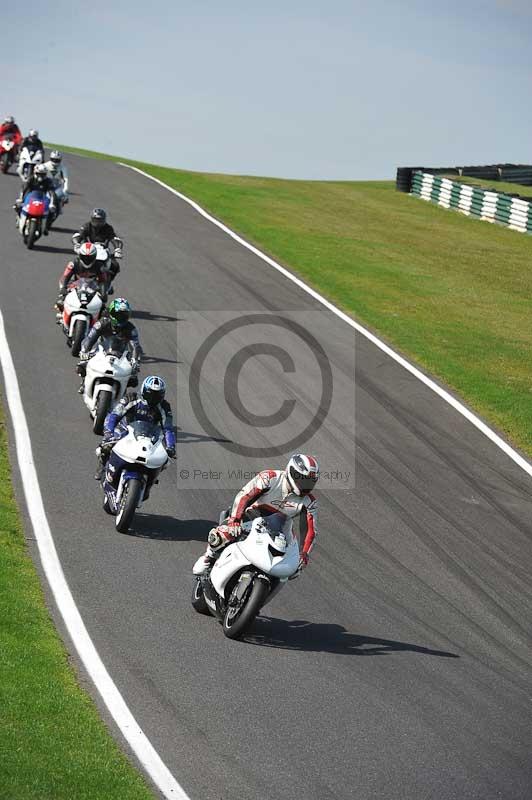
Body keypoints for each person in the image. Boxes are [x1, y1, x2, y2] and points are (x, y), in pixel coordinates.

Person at [193, 453, 320, 577]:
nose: (306, 486)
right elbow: (244, 496)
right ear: (292, 472)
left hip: (280, 529)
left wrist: (304, 554)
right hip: (253, 516)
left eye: (310, 482)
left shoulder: (310, 502)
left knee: (293, 568)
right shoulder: (269, 478)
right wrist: (235, 520)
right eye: (303, 480)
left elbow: (310, 531)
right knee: (221, 535)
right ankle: (208, 558)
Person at [96, 375, 176, 485]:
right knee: (107, 445)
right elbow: (114, 415)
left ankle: (151, 478)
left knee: (165, 460)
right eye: (150, 393)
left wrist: (170, 446)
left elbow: (168, 428)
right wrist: (108, 433)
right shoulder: (131, 398)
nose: (153, 397)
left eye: (157, 395)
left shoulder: (164, 407)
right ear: (144, 390)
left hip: (149, 435)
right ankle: (103, 466)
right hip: (125, 429)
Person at [77, 297, 142, 393]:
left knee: (133, 378)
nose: (121, 318)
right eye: (118, 315)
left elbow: (135, 346)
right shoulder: (102, 323)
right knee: (82, 365)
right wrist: (84, 351)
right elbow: (90, 338)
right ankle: (84, 382)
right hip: (101, 351)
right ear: (112, 314)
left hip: (121, 355)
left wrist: (135, 360)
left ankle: (122, 392)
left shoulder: (131, 329)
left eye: (124, 315)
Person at [72, 209, 123, 291]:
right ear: (92, 219)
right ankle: (73, 281)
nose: (98, 223)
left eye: (100, 220)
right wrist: (77, 244)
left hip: (103, 251)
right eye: (96, 220)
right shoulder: (86, 226)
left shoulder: (108, 228)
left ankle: (108, 283)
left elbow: (114, 238)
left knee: (115, 266)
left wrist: (117, 249)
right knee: (75, 263)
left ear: (104, 220)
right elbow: (79, 235)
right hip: (87, 251)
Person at [55, 243, 107, 317]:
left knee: (103, 307)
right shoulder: (74, 263)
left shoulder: (100, 266)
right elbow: (65, 277)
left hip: (92, 285)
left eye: (89, 258)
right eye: (84, 257)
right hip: (75, 284)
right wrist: (63, 289)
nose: (87, 260)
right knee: (60, 301)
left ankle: (98, 318)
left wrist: (103, 293)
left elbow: (103, 281)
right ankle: (62, 315)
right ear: (80, 255)